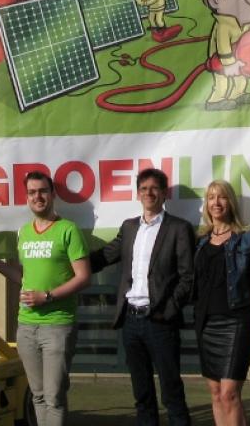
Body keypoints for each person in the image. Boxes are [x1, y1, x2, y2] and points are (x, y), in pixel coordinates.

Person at [90, 167, 195, 426]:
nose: (149, 193)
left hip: (160, 321)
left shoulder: (178, 229)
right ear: (138, 194)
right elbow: (104, 257)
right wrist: (69, 262)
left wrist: (169, 309)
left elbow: (188, 276)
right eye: (144, 188)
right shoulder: (128, 228)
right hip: (131, 322)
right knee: (142, 394)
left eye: (155, 188)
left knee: (171, 392)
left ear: (164, 193)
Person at [0, 171, 90, 426]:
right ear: (27, 198)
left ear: (53, 194)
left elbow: (83, 277)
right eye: (33, 192)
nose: (38, 196)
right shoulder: (24, 233)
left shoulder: (68, 230)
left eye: (43, 191)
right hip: (26, 326)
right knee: (37, 395)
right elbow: (24, 277)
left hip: (58, 324)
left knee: (54, 396)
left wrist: (47, 297)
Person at [192, 180, 250, 426]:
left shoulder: (248, 240)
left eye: (222, 197)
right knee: (216, 394)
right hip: (206, 323)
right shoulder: (200, 243)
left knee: (230, 394)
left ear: (231, 202)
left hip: (237, 323)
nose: (216, 202)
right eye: (211, 197)